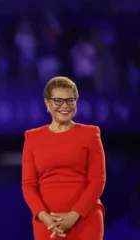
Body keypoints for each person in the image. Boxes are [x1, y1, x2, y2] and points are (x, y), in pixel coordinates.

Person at [21, 77, 106, 239]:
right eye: (58, 100)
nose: (65, 106)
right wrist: (45, 217)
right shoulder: (32, 137)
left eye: (70, 100)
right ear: (47, 103)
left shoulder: (90, 134)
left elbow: (98, 181)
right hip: (48, 223)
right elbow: (28, 185)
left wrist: (74, 215)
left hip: (85, 219)